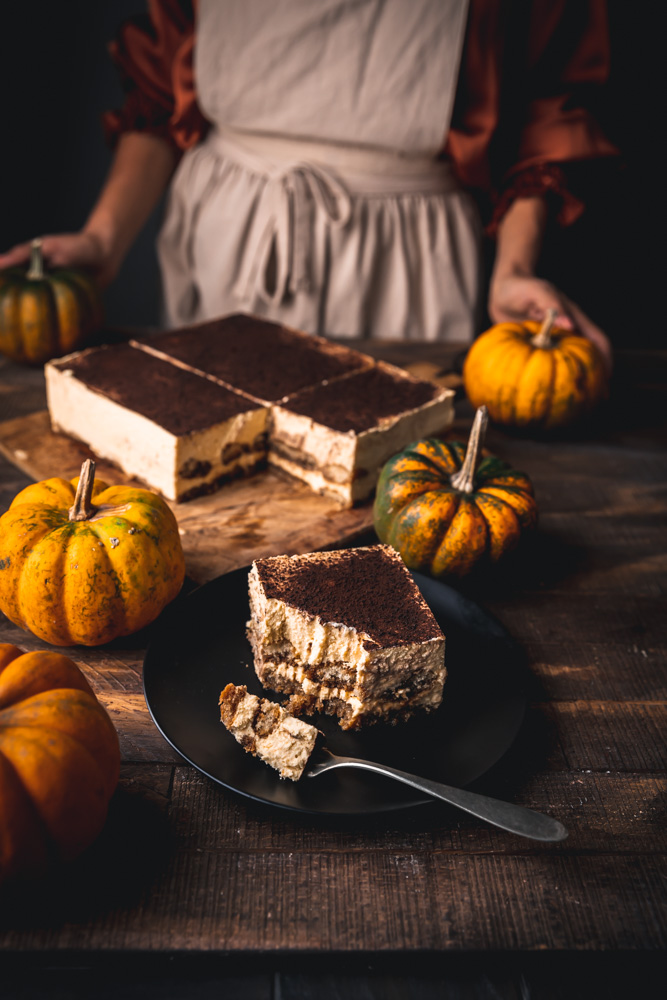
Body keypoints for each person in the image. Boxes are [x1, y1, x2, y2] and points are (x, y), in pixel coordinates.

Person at [0, 0, 616, 366]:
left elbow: (546, 108)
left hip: (408, 257)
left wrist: (511, 271)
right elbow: (160, 91)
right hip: (230, 234)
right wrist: (104, 240)